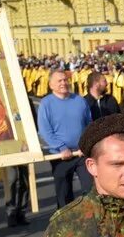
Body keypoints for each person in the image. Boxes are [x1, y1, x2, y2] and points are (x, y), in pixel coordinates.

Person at [37, 69, 92, 208]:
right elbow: (45, 130)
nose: (63, 83)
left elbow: (89, 124)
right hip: (60, 155)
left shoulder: (80, 101)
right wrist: (62, 147)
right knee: (64, 194)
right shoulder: (46, 104)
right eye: (59, 81)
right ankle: (65, 223)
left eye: (65, 80)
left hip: (81, 153)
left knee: (90, 188)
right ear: (51, 85)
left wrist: (85, 144)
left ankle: (91, 220)